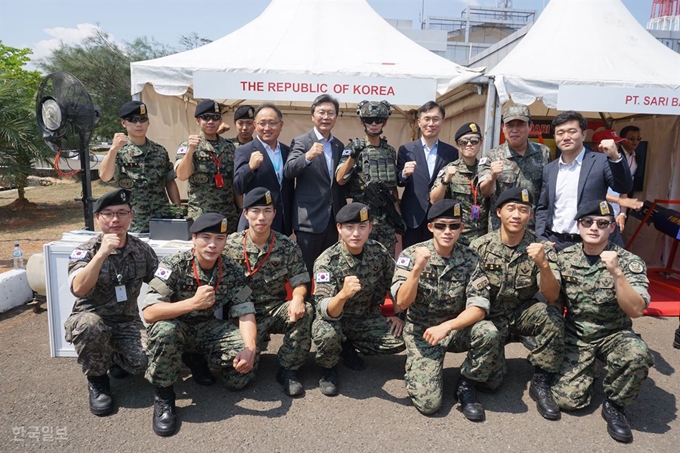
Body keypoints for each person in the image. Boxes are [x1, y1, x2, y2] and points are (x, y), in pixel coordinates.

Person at [142, 213, 257, 436]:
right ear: (193, 238)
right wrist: (192, 303)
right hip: (176, 326)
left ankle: (196, 358)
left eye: (220, 238)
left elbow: (246, 311)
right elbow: (149, 312)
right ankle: (164, 396)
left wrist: (250, 349)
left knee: (240, 377)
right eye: (206, 237)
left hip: (206, 327)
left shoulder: (232, 270)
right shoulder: (173, 264)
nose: (213, 244)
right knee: (165, 331)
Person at [551, 200, 654, 444]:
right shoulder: (565, 258)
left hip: (613, 334)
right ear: (578, 226)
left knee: (637, 355)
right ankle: (592, 367)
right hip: (576, 334)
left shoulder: (629, 262)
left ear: (612, 228)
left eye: (602, 223)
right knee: (567, 401)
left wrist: (617, 274)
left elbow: (637, 310)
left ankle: (615, 405)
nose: (594, 227)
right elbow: (555, 300)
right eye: (587, 222)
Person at [392, 199, 497, 419]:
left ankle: (467, 384)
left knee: (488, 331)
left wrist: (447, 326)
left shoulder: (470, 259)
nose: (447, 231)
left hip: (454, 328)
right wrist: (417, 270)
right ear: (430, 227)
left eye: (454, 225)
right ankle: (421, 369)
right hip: (422, 331)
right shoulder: (410, 255)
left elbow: (479, 307)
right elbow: (401, 303)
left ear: (462, 228)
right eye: (440, 225)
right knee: (429, 405)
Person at [470, 187, 564, 421]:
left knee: (551, 315)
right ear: (499, 212)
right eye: (511, 208)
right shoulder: (479, 247)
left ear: (530, 215)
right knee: (491, 384)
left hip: (522, 312)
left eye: (523, 210)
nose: (516, 215)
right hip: (490, 316)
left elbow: (552, 295)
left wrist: (543, 265)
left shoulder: (539, 247)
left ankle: (541, 380)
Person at [64, 188, 158, 416]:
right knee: (90, 326)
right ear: (98, 218)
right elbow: (79, 288)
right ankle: (97, 380)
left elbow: (159, 282)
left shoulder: (141, 249)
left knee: (145, 362)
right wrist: (101, 255)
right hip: (91, 318)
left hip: (127, 322)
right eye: (108, 213)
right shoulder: (85, 251)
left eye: (122, 212)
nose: (115, 219)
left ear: (131, 216)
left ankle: (113, 356)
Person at [224, 188, 313, 397]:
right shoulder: (230, 246)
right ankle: (253, 348)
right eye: (255, 211)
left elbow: (300, 280)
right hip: (240, 316)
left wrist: (298, 297)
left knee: (306, 310)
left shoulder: (286, 246)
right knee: (235, 381)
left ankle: (288, 369)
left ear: (274, 213)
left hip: (274, 309)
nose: (261, 217)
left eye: (267, 210)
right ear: (245, 213)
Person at [311, 202, 405, 396]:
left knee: (403, 338)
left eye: (362, 227)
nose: (356, 234)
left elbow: (395, 283)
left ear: (370, 227)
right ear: (339, 228)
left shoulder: (377, 251)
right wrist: (343, 294)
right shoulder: (327, 261)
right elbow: (326, 310)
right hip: (334, 319)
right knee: (326, 334)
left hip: (364, 318)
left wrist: (398, 314)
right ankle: (329, 369)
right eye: (350, 227)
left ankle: (349, 345)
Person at [535, 110, 633, 251]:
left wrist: (615, 157)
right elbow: (543, 207)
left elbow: (624, 186)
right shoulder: (549, 169)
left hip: (591, 244)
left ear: (584, 134)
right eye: (560, 133)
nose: (566, 137)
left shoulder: (601, 161)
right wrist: (542, 237)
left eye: (572, 131)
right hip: (556, 243)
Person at [284, 94, 346, 274]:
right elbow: (289, 170)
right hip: (309, 219)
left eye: (331, 113)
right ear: (312, 116)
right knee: (306, 270)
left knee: (328, 271)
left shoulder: (339, 146)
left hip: (333, 219)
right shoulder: (302, 141)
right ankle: (303, 301)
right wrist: (308, 156)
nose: (326, 117)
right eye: (321, 112)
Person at [99, 101, 181, 233]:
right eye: (133, 120)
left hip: (161, 218)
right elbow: (105, 176)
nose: (138, 124)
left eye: (142, 120)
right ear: (123, 123)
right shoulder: (118, 152)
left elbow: (169, 181)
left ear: (148, 122)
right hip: (132, 220)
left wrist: (177, 209)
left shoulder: (159, 151)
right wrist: (113, 149)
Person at [336, 100, 403, 256]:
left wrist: (398, 216)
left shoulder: (390, 151)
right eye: (369, 120)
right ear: (362, 122)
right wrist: (353, 156)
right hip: (361, 217)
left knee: (387, 260)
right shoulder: (353, 148)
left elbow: (393, 189)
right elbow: (340, 179)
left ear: (384, 122)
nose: (374, 124)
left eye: (378, 120)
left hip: (386, 217)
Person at [478, 104, 551, 232]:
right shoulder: (493, 155)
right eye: (510, 125)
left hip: (532, 228)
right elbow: (485, 191)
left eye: (520, 124)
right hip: (500, 230)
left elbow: (548, 192)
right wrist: (492, 177)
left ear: (530, 127)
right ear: (503, 128)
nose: (514, 130)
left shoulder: (544, 153)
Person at [397, 100, 458, 249]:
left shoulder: (451, 152)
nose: (431, 123)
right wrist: (404, 173)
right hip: (413, 214)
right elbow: (399, 181)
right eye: (427, 119)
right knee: (412, 258)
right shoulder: (406, 149)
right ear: (419, 122)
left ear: (442, 122)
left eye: (435, 119)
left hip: (440, 215)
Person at [175, 99, 238, 232]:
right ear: (198, 120)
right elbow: (182, 175)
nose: (211, 122)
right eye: (206, 118)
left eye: (215, 118)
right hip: (201, 215)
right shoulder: (187, 145)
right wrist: (191, 151)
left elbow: (235, 182)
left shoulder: (229, 147)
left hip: (228, 215)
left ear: (220, 121)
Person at [233, 103, 294, 235]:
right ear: (255, 125)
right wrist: (250, 167)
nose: (267, 128)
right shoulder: (244, 151)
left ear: (281, 125)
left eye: (272, 123)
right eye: (262, 123)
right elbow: (238, 186)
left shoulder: (287, 151)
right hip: (255, 224)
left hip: (282, 223)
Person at [430, 122, 489, 246]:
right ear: (458, 145)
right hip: (459, 237)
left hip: (485, 236)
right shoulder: (449, 169)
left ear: (481, 143)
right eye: (463, 142)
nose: (469, 145)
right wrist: (445, 181)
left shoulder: (486, 168)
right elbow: (434, 199)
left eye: (474, 141)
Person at [590, 129, 643, 244]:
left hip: (614, 218)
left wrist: (622, 213)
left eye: (617, 144)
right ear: (599, 146)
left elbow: (623, 190)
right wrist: (621, 201)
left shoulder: (618, 163)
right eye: (613, 144)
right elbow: (593, 191)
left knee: (616, 254)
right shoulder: (589, 165)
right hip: (594, 219)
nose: (616, 147)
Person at [619, 125, 646, 196]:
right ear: (622, 139)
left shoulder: (638, 157)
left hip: (628, 193)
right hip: (613, 193)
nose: (635, 141)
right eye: (632, 138)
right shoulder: (615, 153)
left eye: (638, 138)